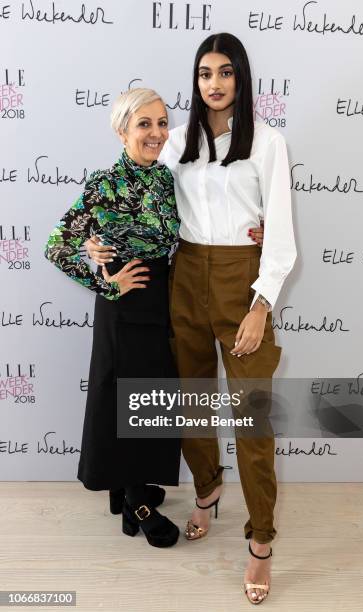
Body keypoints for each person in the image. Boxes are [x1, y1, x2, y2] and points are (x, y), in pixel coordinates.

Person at [86, 31, 296, 605]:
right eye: (205, 73)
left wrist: (260, 303)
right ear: (196, 81)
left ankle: (261, 543)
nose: (215, 83)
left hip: (241, 284)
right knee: (191, 400)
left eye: (226, 72)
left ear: (241, 78)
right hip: (184, 280)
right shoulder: (176, 141)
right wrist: (91, 246)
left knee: (252, 420)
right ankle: (207, 491)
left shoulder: (268, 143)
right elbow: (124, 190)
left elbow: (281, 236)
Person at [44, 88, 182, 548]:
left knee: (153, 399)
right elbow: (56, 246)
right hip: (124, 309)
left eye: (162, 123)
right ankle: (138, 503)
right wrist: (107, 282)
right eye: (144, 124)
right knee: (125, 398)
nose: (157, 133)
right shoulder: (104, 184)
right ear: (122, 130)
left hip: (163, 302)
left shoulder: (166, 178)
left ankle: (131, 487)